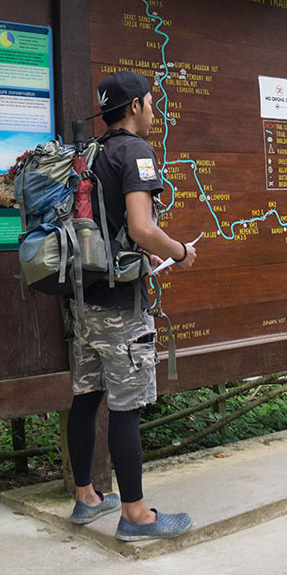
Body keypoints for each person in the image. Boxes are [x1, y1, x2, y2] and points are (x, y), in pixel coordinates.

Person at [64, 70, 198, 542]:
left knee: (86, 397)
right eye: (151, 103)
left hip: (83, 301)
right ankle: (137, 515)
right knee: (126, 404)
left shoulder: (90, 154)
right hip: (121, 304)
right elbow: (141, 227)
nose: (154, 111)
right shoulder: (134, 151)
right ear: (136, 105)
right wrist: (179, 250)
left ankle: (86, 497)